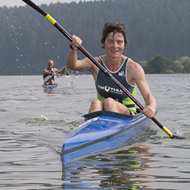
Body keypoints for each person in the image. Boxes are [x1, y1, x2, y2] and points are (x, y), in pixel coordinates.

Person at [66, 22, 156, 118]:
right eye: (110, 41)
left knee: (109, 102)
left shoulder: (133, 68)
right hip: (103, 113)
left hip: (128, 115)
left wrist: (151, 108)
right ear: (103, 43)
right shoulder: (95, 63)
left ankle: (108, 130)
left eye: (119, 42)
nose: (115, 46)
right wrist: (73, 48)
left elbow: (148, 98)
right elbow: (73, 65)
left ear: (124, 44)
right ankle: (93, 127)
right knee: (95, 103)